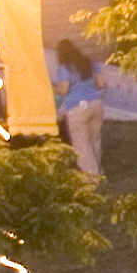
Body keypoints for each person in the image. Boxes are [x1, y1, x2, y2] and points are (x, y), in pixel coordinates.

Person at [52, 39, 106, 179]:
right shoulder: (90, 63)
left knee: (81, 143)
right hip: (96, 103)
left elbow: (63, 90)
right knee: (94, 139)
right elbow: (101, 83)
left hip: (77, 107)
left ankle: (92, 177)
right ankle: (98, 170)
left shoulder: (66, 67)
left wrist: (52, 87)